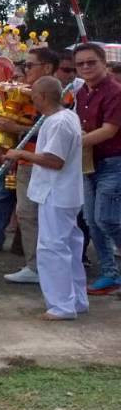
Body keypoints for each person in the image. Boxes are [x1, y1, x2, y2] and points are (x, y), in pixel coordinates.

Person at [0, 47, 58, 284]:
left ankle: (47, 267)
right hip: (25, 161)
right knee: (26, 214)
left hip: (45, 163)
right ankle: (35, 266)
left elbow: (55, 128)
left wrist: (15, 129)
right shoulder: (22, 94)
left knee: (45, 216)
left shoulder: (56, 95)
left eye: (30, 66)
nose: (25, 70)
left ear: (48, 68)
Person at [7, 76, 87, 320]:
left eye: (34, 96)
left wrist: (22, 153)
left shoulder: (61, 122)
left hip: (58, 193)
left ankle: (62, 306)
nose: (32, 100)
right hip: (61, 192)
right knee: (69, 247)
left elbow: (55, 160)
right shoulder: (63, 118)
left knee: (53, 248)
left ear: (41, 97)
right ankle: (76, 300)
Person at [73, 42, 121, 296]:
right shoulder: (82, 91)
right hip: (89, 162)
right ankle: (111, 274)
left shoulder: (115, 91)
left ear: (104, 62)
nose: (86, 67)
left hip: (114, 162)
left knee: (107, 219)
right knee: (92, 221)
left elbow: (109, 130)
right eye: (81, 64)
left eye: (91, 62)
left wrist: (72, 142)